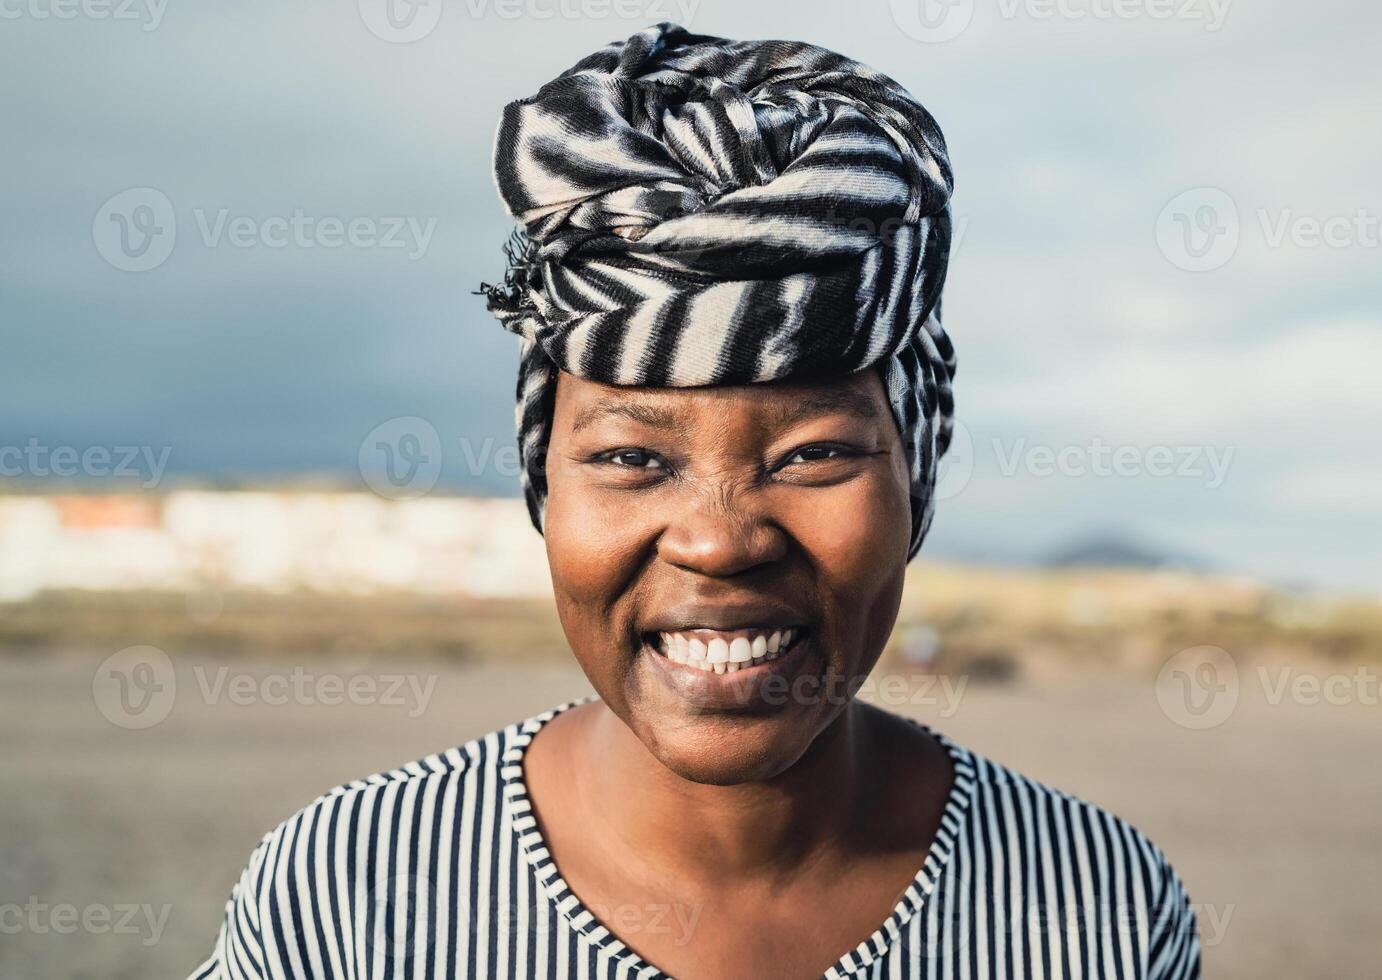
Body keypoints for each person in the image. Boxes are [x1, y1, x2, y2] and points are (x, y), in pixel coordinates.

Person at [190, 23, 1200, 979]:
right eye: (633, 456)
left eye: (812, 454)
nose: (719, 539)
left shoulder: (1097, 912)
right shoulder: (346, 902)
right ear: (545, 483)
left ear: (914, 478)